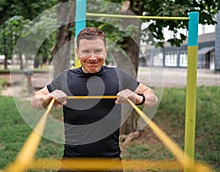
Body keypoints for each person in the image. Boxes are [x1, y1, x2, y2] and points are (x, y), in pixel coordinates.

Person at [32, 27, 158, 171]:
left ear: (105, 51)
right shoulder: (66, 78)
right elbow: (35, 102)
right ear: (77, 52)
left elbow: (152, 98)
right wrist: (49, 97)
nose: (92, 57)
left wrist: (137, 98)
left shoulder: (118, 75)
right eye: (86, 51)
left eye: (98, 51)